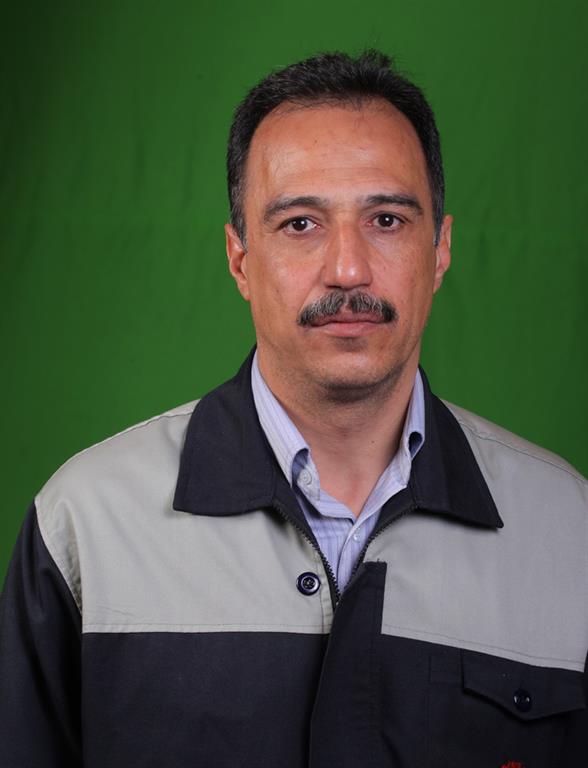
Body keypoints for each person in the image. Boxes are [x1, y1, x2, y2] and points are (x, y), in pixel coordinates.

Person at [0, 50, 586, 768]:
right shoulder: (86, 526)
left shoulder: (572, 534)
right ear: (240, 258)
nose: (347, 269)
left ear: (440, 250)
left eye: (387, 219)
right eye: (301, 224)